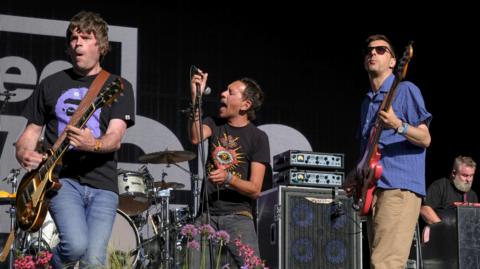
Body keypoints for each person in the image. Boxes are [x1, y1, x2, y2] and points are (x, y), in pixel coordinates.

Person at [15, 11, 135, 268]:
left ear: (100, 45)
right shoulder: (50, 84)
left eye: (85, 37)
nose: (77, 42)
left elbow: (115, 137)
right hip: (61, 180)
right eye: (73, 38)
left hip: (103, 184)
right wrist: (23, 152)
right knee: (75, 246)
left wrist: (93, 144)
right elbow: (29, 135)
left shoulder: (118, 86)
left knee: (93, 260)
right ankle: (54, 263)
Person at [346, 34, 432, 269]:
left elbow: (425, 138)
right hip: (374, 188)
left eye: (381, 50)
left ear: (394, 61)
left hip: (398, 184)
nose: (373, 53)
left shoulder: (406, 90)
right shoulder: (367, 103)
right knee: (379, 262)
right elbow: (368, 151)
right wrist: (355, 177)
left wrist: (398, 125)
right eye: (369, 51)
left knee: (386, 263)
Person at [189, 68, 270, 268]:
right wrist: (195, 98)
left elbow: (255, 188)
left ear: (246, 104)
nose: (222, 94)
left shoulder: (258, 138)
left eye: (230, 92)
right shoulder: (214, 124)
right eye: (225, 90)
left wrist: (228, 179)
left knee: (252, 266)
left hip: (238, 217)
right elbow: (195, 136)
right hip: (206, 215)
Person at [420, 156, 477, 225]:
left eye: (471, 176)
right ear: (454, 173)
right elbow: (424, 209)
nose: (468, 180)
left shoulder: (472, 195)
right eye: (465, 175)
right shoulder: (440, 186)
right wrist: (442, 227)